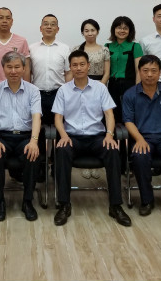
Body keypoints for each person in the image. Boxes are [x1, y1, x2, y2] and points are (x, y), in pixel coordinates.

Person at [51, 50, 131, 227]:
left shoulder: (100, 88)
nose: (78, 68)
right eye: (74, 65)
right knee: (62, 150)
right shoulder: (63, 90)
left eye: (82, 64)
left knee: (112, 150)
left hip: (97, 137)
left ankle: (115, 205)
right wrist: (63, 135)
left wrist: (109, 135)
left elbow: (109, 114)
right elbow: (58, 118)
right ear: (70, 67)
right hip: (72, 137)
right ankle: (64, 204)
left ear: (88, 66)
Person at [122, 54, 161, 218]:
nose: (149, 74)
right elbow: (128, 121)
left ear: (160, 72)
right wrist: (139, 139)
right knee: (140, 156)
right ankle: (146, 200)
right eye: (145, 71)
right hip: (143, 138)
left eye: (153, 70)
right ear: (139, 72)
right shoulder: (130, 94)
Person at [0, 51, 42, 222]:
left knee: (32, 154)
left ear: (24, 68)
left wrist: (34, 141)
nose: (13, 71)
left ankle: (27, 201)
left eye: (17, 67)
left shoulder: (33, 91)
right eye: (9, 67)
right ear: (3, 68)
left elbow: (36, 117)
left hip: (25, 137)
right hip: (2, 137)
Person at [72, 19, 110, 179]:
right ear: (82, 33)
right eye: (86, 30)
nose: (90, 33)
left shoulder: (104, 50)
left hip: (98, 87)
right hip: (80, 86)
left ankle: (95, 163)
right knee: (82, 119)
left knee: (96, 121)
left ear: (98, 31)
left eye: (92, 30)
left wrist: (98, 87)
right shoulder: (76, 49)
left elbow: (107, 72)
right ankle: (84, 165)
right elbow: (74, 70)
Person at [29, 14, 71, 125]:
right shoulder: (31, 48)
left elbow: (68, 72)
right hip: (37, 94)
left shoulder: (65, 48)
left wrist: (68, 92)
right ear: (40, 28)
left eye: (53, 24)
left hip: (59, 93)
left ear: (57, 29)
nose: (49, 27)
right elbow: (28, 72)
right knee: (38, 126)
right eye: (46, 24)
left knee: (60, 125)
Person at [106, 16, 143, 124]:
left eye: (125, 28)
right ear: (113, 29)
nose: (122, 30)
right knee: (113, 113)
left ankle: (130, 134)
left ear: (130, 30)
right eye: (119, 27)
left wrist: (137, 89)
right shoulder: (107, 46)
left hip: (129, 84)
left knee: (129, 113)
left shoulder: (135, 46)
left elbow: (139, 71)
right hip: (112, 85)